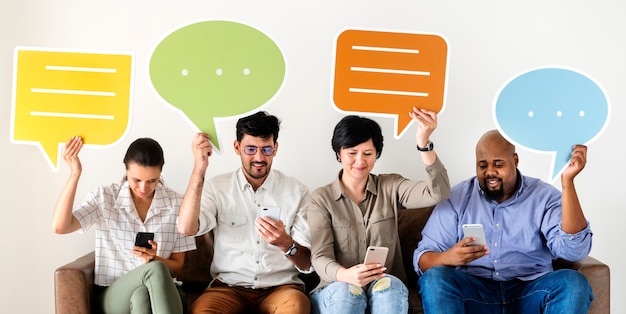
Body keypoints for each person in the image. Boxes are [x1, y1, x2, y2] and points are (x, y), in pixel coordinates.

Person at [414, 129, 594, 314]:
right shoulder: (457, 198)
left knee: (573, 282)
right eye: (482, 165)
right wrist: (449, 257)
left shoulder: (544, 196)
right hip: (475, 294)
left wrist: (568, 182)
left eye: (498, 164)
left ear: (515, 161)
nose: (490, 172)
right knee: (434, 279)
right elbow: (423, 258)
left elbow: (573, 251)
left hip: (531, 291)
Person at [307, 108, 451, 314]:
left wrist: (424, 143)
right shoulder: (322, 199)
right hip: (336, 286)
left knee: (389, 289)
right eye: (351, 153)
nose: (360, 161)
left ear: (376, 155)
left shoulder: (391, 185)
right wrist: (346, 275)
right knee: (347, 293)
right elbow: (320, 257)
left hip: (384, 284)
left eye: (368, 154)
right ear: (339, 154)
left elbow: (438, 193)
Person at [178, 111, 313, 313]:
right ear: (237, 147)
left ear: (275, 149)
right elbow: (186, 228)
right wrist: (199, 169)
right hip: (228, 289)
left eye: (266, 150)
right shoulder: (218, 187)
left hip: (281, 289)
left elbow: (307, 263)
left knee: (298, 306)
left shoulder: (297, 191)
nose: (259, 158)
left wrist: (285, 242)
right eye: (250, 149)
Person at [52, 136, 197, 314]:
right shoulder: (105, 197)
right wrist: (75, 174)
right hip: (114, 294)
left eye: (152, 181)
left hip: (160, 293)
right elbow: (61, 226)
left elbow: (178, 268)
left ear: (160, 171)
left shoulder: (177, 203)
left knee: (142, 294)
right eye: (136, 180)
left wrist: (153, 259)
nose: (144, 188)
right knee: (155, 270)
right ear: (126, 169)